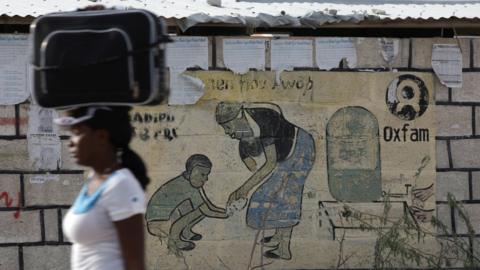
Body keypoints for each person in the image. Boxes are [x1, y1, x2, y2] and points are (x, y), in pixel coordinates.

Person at [215, 102, 315, 260]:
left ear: (238, 118)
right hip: (288, 153)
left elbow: (269, 164)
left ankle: (284, 250)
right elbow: (250, 153)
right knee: (278, 193)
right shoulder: (247, 124)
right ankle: (278, 237)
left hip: (301, 149)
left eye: (228, 127)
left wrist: (243, 189)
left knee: (286, 198)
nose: (228, 133)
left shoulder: (262, 121)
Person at [56, 106, 148, 270]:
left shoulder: (121, 185)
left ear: (101, 136)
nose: (70, 142)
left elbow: (135, 264)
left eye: (77, 133)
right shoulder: (95, 180)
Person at [145, 154, 228, 253]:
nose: (206, 179)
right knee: (200, 210)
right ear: (191, 172)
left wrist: (225, 210)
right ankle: (176, 240)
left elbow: (208, 205)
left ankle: (186, 232)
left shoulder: (189, 182)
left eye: (207, 175)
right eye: (202, 174)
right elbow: (206, 210)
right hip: (159, 225)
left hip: (164, 221)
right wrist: (225, 215)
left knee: (198, 207)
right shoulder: (187, 186)